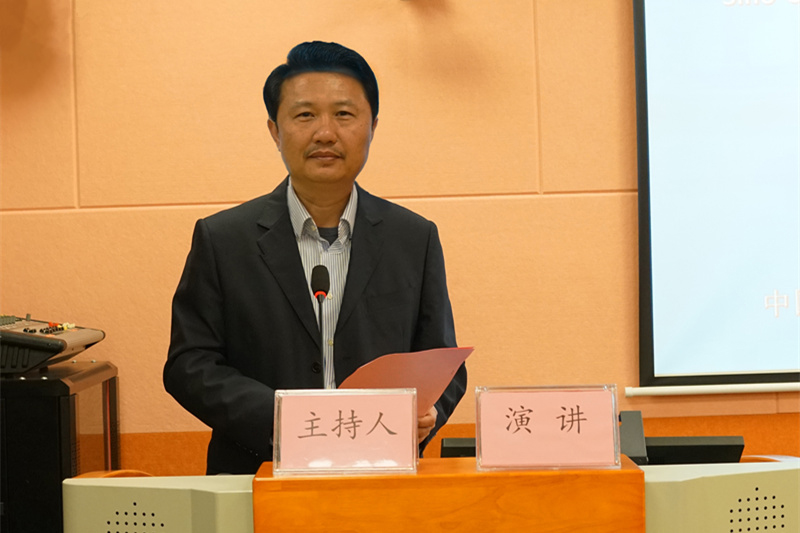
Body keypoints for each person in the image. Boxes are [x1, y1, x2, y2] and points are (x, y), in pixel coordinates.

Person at [163, 41, 467, 475]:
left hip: (381, 472)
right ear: (275, 131)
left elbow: (441, 360)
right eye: (305, 115)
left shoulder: (413, 238)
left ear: (372, 127)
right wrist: (283, 420)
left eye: (343, 114)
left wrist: (429, 412)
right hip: (258, 475)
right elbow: (189, 365)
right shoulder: (223, 239)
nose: (325, 133)